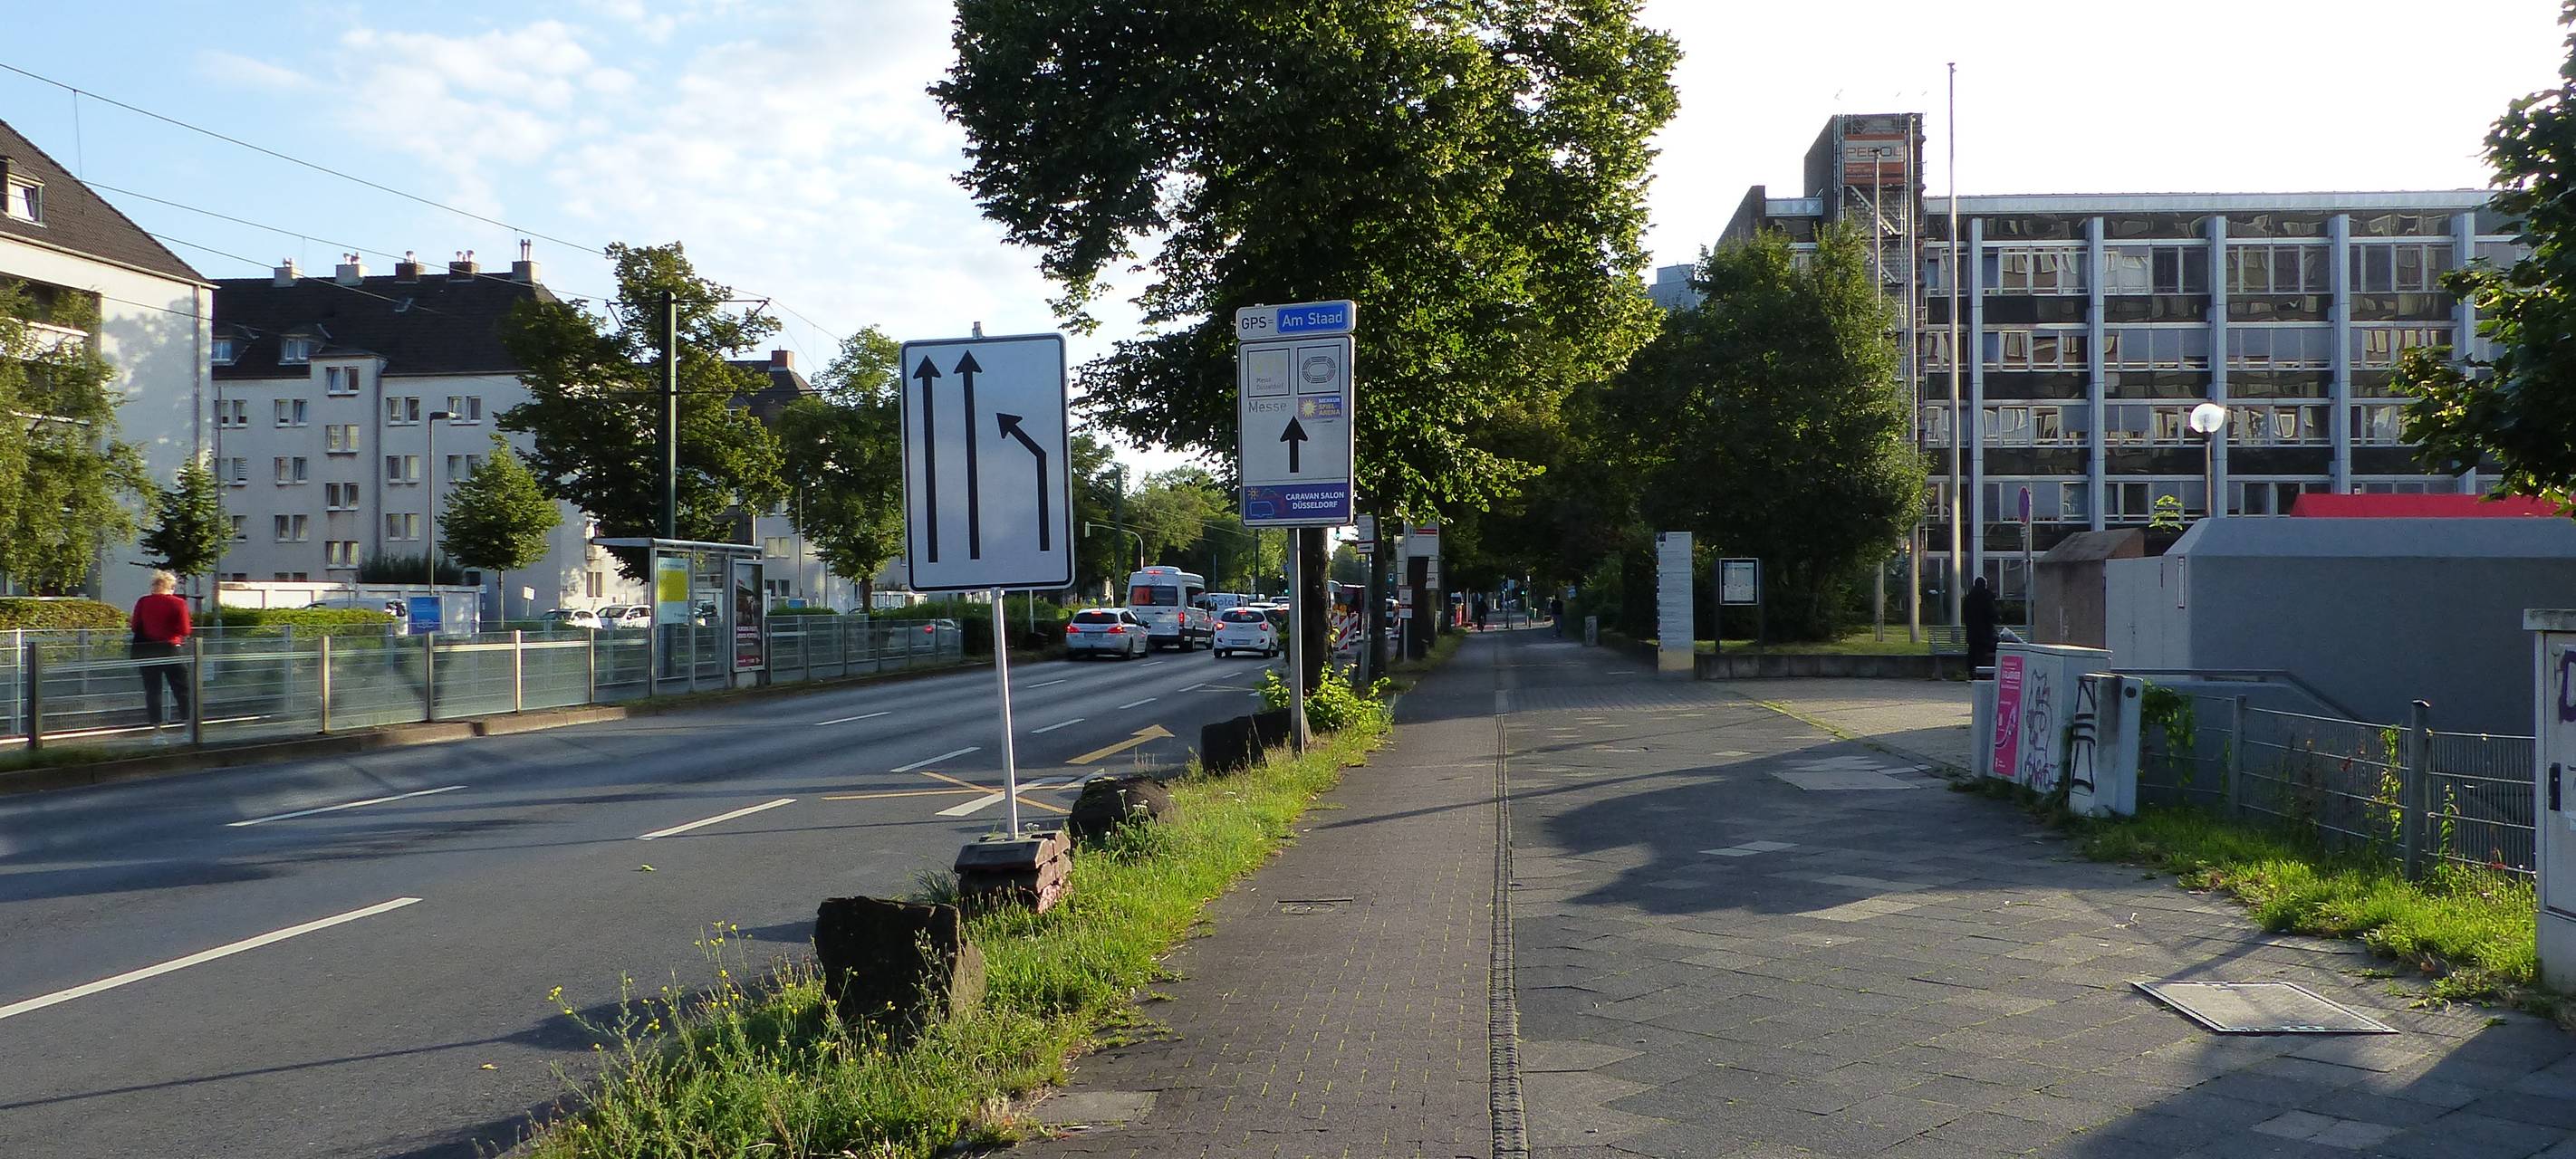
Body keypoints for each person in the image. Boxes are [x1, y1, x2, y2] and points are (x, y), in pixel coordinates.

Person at [130, 570, 193, 742]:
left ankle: (158, 733)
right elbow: (185, 630)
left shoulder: (143, 602)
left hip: (148, 650)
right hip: (171, 648)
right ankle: (188, 730)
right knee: (182, 689)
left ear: (155, 585)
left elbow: (135, 626)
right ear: (172, 586)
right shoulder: (178, 603)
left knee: (153, 690)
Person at [1964, 575, 1999, 672]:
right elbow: (1993, 615)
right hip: (1985, 633)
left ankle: (1971, 672)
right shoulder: (1986, 597)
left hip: (1972, 632)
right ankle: (1983, 672)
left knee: (1973, 652)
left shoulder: (1968, 598)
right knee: (1983, 653)